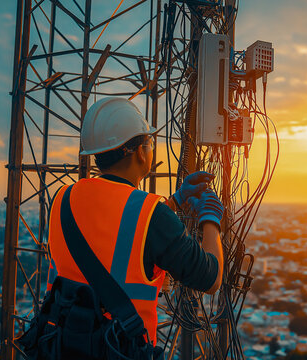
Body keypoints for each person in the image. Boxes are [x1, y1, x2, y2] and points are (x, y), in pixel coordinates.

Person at [46, 97, 224, 346]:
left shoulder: (62, 198)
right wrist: (211, 219)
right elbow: (211, 278)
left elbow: (114, 226)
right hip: (119, 348)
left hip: (62, 343)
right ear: (140, 153)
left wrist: (175, 202)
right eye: (149, 143)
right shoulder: (152, 215)